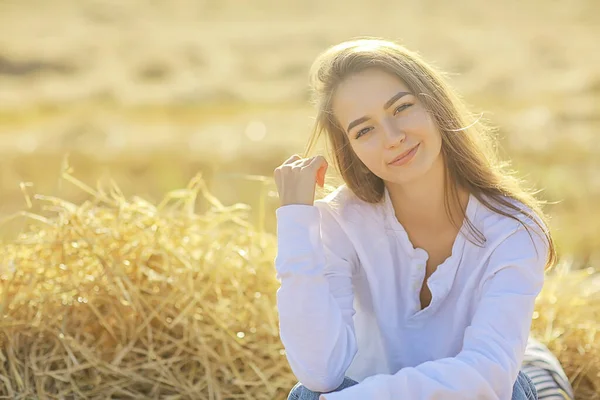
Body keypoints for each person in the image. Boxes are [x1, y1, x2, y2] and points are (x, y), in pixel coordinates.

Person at [273, 38, 573, 400]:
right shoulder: (340, 221)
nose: (393, 138)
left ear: (434, 104)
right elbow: (319, 372)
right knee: (305, 394)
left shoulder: (512, 227)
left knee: (513, 388)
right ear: (348, 149)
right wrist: (295, 220)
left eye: (401, 108)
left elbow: (489, 374)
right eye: (364, 130)